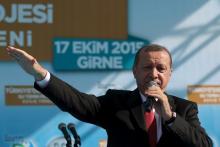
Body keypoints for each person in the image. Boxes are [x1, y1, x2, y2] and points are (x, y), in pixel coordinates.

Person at [6, 44, 213, 147]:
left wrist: (170, 117)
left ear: (169, 73)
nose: (154, 74)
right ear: (134, 71)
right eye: (147, 67)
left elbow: (204, 145)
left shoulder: (185, 108)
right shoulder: (117, 102)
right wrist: (40, 73)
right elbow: (78, 102)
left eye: (161, 68)